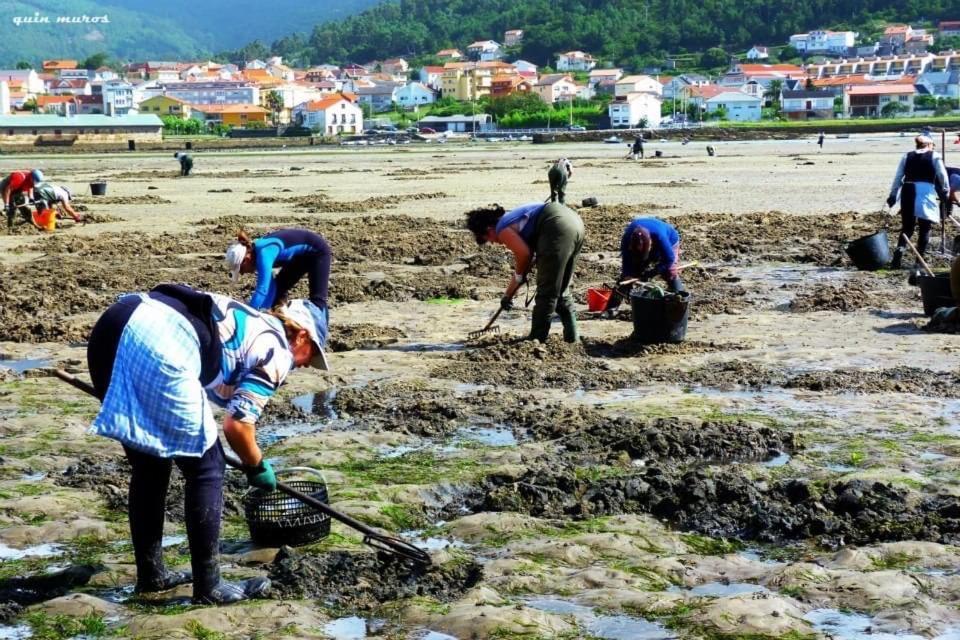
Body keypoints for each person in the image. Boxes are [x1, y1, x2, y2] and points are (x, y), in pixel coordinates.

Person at [86, 284, 330, 604]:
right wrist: (257, 466)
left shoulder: (254, 321)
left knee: (151, 462)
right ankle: (209, 587)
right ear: (301, 336)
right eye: (310, 356)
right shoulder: (278, 351)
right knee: (207, 466)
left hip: (114, 324)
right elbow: (237, 426)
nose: (303, 365)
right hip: (156, 339)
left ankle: (152, 576)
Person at [466, 201, 585, 343]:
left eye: (485, 239)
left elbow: (525, 255)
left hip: (556, 227)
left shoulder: (501, 229)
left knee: (547, 293)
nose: (492, 242)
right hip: (574, 222)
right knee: (561, 290)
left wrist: (520, 275)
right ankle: (573, 340)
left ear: (488, 229)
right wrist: (507, 295)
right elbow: (523, 265)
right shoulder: (510, 220)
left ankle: (536, 339)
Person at [225, 228, 332, 312]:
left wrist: (248, 313)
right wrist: (263, 311)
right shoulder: (257, 255)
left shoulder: (264, 253)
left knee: (318, 301)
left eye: (241, 269)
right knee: (278, 289)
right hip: (300, 257)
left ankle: (322, 334)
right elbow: (270, 287)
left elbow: (262, 290)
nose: (243, 273)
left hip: (318, 251)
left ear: (246, 259)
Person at [887, 135, 949, 271]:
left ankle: (897, 259)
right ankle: (918, 261)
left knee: (907, 228)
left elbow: (898, 177)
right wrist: (945, 192)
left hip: (907, 191)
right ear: (929, 145)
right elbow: (942, 175)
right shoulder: (934, 156)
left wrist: (893, 195)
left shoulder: (907, 156)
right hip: (924, 192)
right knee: (924, 228)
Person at [619, 217, 684, 294]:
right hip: (646, 242)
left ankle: (679, 295)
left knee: (669, 271)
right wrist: (627, 274)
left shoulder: (660, 237)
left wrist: (653, 272)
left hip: (670, 239)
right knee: (632, 272)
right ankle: (614, 303)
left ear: (650, 244)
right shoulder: (627, 239)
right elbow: (626, 259)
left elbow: (669, 259)